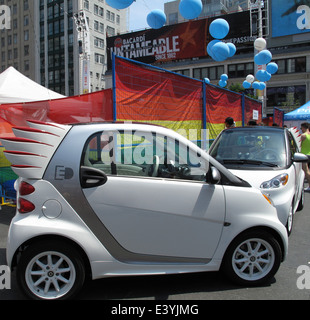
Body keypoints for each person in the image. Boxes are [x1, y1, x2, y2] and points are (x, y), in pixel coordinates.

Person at [300, 122, 310, 191]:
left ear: (303, 127)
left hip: (304, 155)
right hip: (309, 154)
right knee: (307, 171)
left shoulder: (303, 136)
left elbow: (298, 145)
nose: (301, 129)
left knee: (306, 172)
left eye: (301, 128)